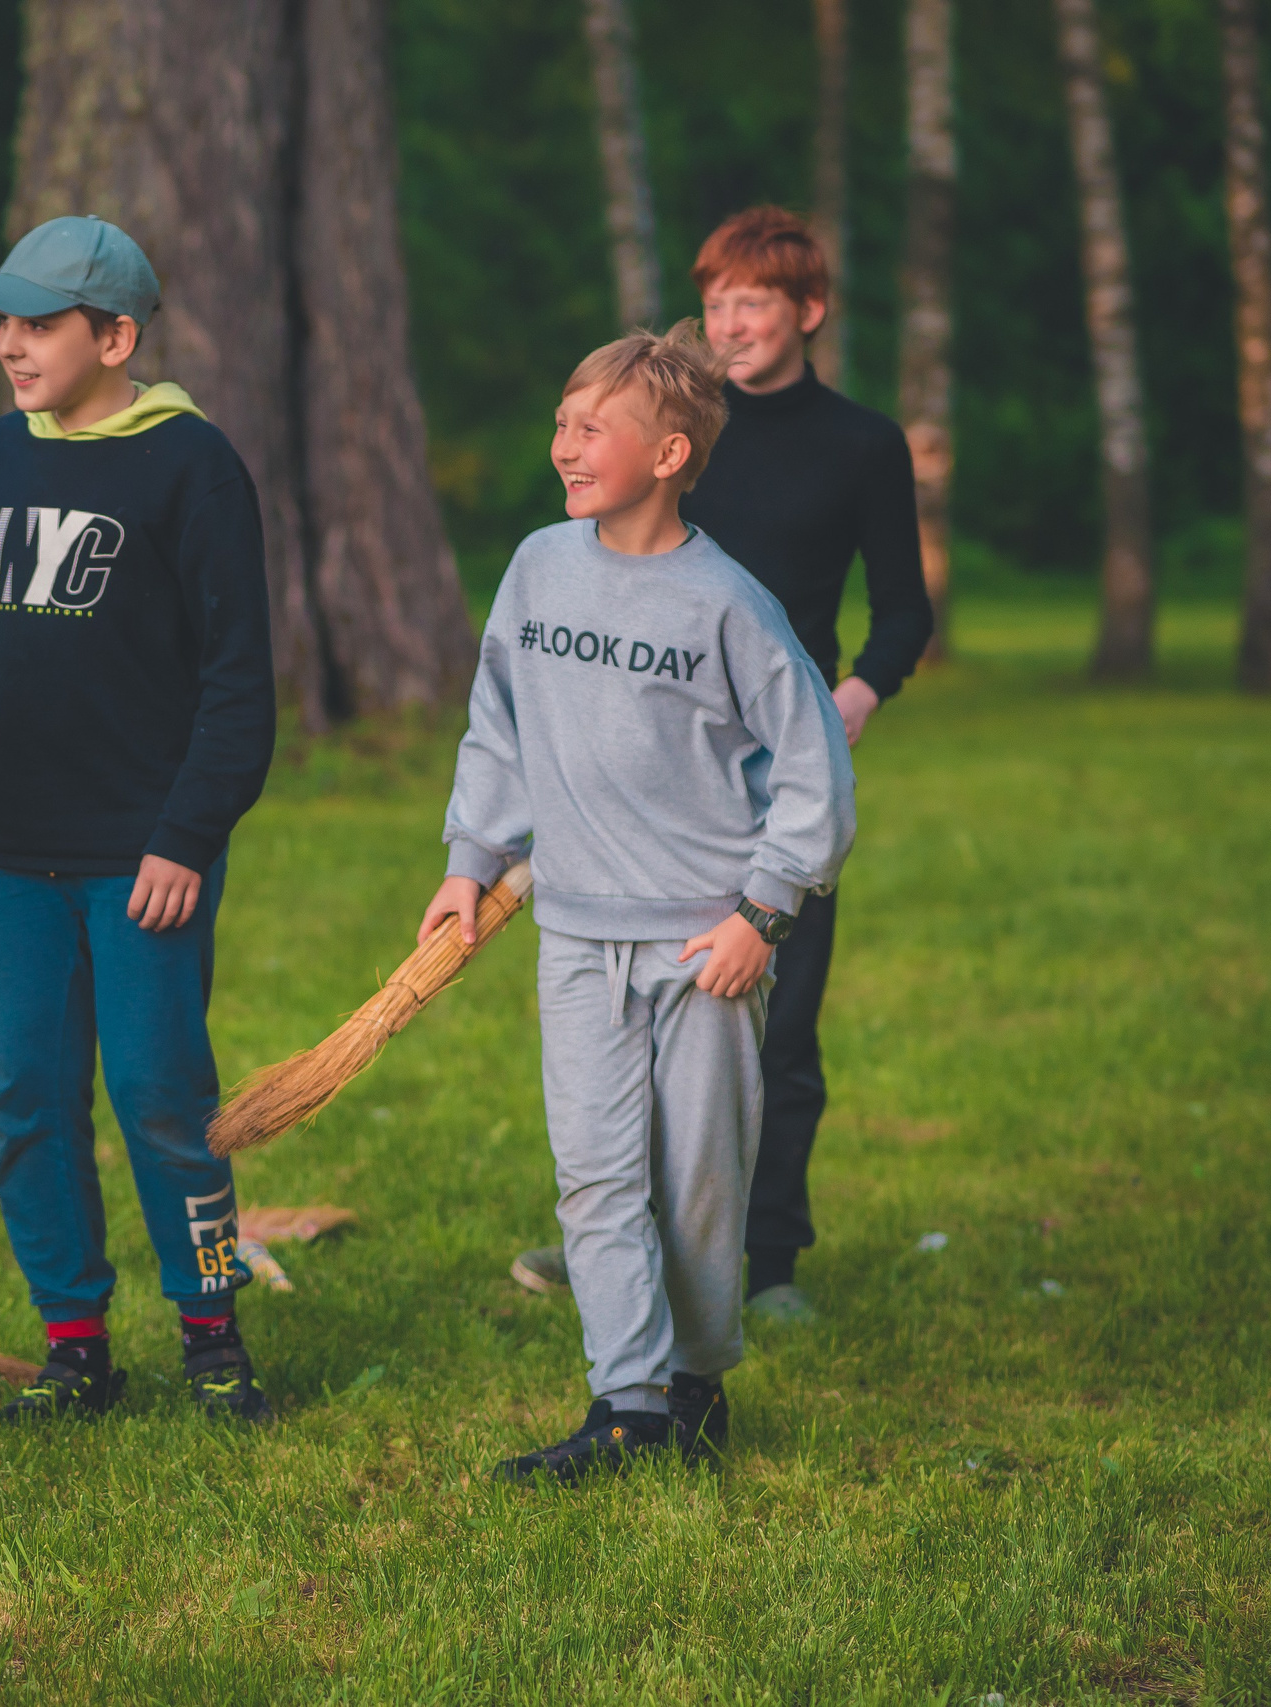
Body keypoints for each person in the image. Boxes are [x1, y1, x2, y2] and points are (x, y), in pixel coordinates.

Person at [426, 323, 855, 1479]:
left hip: (699, 945)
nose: (563, 447)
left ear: (668, 455)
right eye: (560, 425)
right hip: (573, 934)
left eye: (590, 430)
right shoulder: (536, 567)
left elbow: (814, 768)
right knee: (595, 1173)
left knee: (700, 1182)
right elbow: (497, 723)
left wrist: (759, 915)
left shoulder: (727, 604)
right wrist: (471, 854)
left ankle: (697, 1379)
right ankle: (626, 1407)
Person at [0, 216, 279, 1424]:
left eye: (39, 324)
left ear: (116, 336)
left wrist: (186, 836)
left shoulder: (189, 466)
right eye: (4, 321)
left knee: (162, 1093)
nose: (12, 345)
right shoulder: (0, 459)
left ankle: (210, 1333)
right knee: (26, 1095)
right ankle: (74, 1346)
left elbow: (237, 686)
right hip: (16, 848)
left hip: (140, 857)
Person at [505, 208, 930, 1325]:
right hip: (660, 759)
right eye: (718, 301)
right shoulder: (671, 431)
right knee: (631, 1029)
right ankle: (617, 1235)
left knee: (772, 1027)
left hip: (781, 768)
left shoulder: (859, 444)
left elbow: (903, 609)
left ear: (808, 313)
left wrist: (854, 693)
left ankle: (769, 1257)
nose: (732, 322)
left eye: (755, 302)